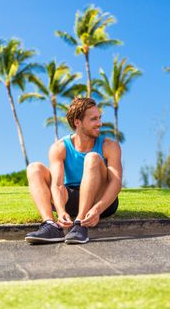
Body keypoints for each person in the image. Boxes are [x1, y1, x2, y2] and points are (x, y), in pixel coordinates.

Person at [25, 97, 122, 244]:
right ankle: (50, 226)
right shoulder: (59, 148)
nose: (100, 123)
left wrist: (97, 209)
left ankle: (80, 224)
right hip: (70, 197)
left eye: (99, 118)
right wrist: (61, 210)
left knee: (93, 158)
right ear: (78, 122)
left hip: (101, 200)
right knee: (34, 168)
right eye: (94, 119)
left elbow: (116, 183)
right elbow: (57, 185)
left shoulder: (110, 146)